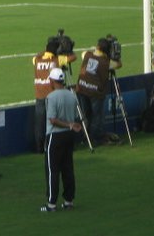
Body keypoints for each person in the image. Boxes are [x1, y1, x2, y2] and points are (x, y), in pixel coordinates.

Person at [41, 68, 81, 212]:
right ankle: (68, 200)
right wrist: (70, 125)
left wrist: (68, 124)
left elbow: (52, 120)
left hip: (55, 136)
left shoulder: (51, 97)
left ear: (52, 81)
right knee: (68, 168)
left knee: (52, 170)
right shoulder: (71, 96)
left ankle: (51, 203)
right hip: (69, 136)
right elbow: (75, 115)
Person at [75, 38, 122, 145]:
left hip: (82, 89)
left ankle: (85, 137)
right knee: (97, 116)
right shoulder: (107, 62)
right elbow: (119, 64)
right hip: (95, 92)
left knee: (85, 115)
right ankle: (96, 138)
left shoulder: (87, 55)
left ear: (97, 47)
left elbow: (84, 53)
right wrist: (115, 56)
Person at [33, 39, 76, 152]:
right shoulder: (57, 60)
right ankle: (51, 145)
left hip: (39, 94)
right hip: (52, 95)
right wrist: (67, 51)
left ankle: (39, 147)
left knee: (39, 122)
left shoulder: (37, 60)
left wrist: (46, 51)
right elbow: (73, 58)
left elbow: (37, 55)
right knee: (53, 121)